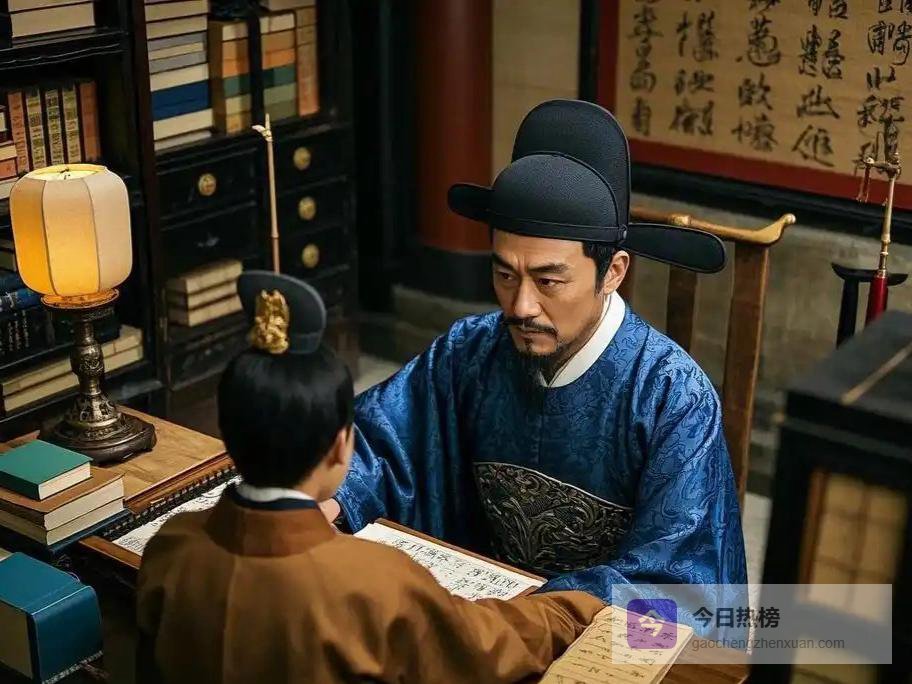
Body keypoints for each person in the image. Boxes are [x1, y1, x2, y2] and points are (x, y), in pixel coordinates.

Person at [325, 100, 748, 602]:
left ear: (613, 272)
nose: (522, 307)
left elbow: (676, 579)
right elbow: (380, 442)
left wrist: (537, 617)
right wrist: (330, 499)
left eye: (548, 281)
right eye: (505, 275)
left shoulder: (671, 396)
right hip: (478, 612)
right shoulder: (469, 352)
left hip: (583, 631)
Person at [135, 271, 604, 683]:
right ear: (341, 446)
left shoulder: (172, 548)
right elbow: (485, 647)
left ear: (228, 435)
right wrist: (575, 607)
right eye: (506, 274)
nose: (521, 304)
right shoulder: (372, 584)